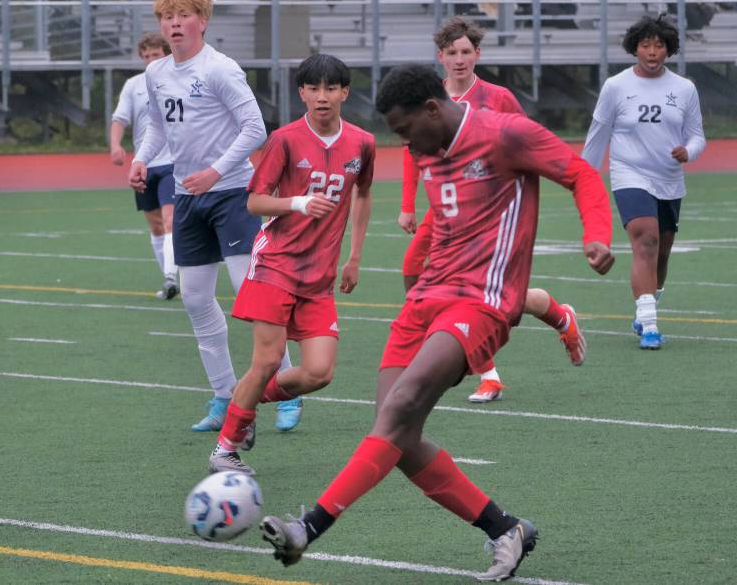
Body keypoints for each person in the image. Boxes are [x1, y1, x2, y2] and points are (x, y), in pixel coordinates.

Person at [259, 62, 614, 581]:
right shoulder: (427, 145)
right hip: (428, 296)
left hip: (483, 300)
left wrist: (596, 233)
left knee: (402, 407)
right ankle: (505, 529)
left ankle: (307, 529)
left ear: (431, 109)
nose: (406, 145)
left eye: (406, 131)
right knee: (396, 435)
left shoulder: (505, 134)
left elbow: (580, 172)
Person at [128, 0, 303, 433]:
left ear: (202, 22)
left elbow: (255, 129)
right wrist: (141, 159)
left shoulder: (221, 69)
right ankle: (224, 394)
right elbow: (158, 129)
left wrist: (216, 171)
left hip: (232, 193)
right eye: (167, 17)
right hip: (188, 198)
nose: (174, 24)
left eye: (183, 15)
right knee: (195, 298)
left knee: (252, 295)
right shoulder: (156, 73)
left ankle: (286, 388)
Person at [400, 17, 588, 403]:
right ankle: (495, 361)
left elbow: (526, 141)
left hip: (489, 213)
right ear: (440, 56)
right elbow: (412, 151)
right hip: (445, 210)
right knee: (413, 270)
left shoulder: (498, 97)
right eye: (451, 52)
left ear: (478, 54)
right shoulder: (429, 99)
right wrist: (407, 206)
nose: (459, 59)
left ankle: (498, 363)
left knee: (491, 295)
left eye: (466, 51)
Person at [208, 54, 375, 475]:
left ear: (345, 92)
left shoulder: (362, 143)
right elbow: (254, 201)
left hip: (319, 276)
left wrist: (354, 257)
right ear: (302, 93)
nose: (322, 97)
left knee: (319, 372)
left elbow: (363, 194)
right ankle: (225, 449)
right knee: (267, 359)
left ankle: (245, 403)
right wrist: (298, 203)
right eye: (313, 88)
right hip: (275, 265)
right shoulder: (284, 140)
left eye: (331, 88)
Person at [582, 15, 704, 350]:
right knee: (645, 240)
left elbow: (697, 136)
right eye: (645, 45)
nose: (652, 52)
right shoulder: (616, 87)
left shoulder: (685, 88)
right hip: (629, 174)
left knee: (662, 252)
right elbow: (598, 135)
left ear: (669, 49)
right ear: (634, 48)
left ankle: (645, 306)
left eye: (659, 45)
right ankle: (649, 326)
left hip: (669, 179)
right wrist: (582, 178)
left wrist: (688, 151)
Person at [109, 32, 179, 299]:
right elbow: (120, 119)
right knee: (156, 226)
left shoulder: (178, 80)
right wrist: (115, 145)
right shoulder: (134, 85)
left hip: (173, 162)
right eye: (146, 56)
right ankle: (169, 280)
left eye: (156, 54)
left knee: (170, 220)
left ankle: (171, 277)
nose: (151, 60)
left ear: (166, 54)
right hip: (145, 164)